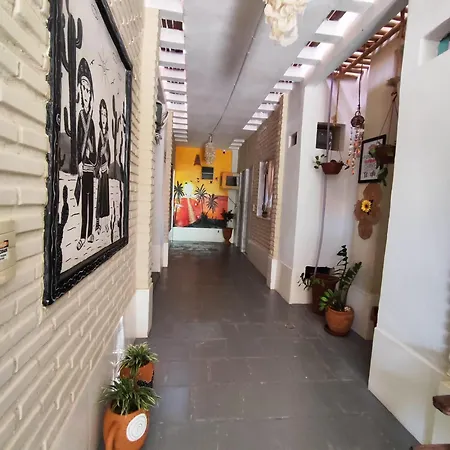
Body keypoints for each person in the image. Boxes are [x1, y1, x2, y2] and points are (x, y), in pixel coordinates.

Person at [76, 58, 96, 251]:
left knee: (91, 200)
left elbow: (95, 144)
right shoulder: (80, 117)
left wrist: (94, 157)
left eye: (88, 90)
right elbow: (77, 142)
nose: (86, 93)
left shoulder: (92, 121)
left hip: (91, 166)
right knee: (84, 202)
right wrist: (78, 162)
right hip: (83, 165)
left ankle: (90, 232)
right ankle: (83, 234)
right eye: (83, 89)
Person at [95, 99, 111, 234]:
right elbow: (97, 151)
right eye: (102, 114)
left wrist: (108, 165)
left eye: (105, 114)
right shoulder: (99, 133)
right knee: (100, 197)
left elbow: (108, 152)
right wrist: (99, 167)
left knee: (105, 197)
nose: (103, 118)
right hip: (100, 169)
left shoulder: (107, 134)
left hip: (106, 169)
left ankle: (105, 222)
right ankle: (98, 223)